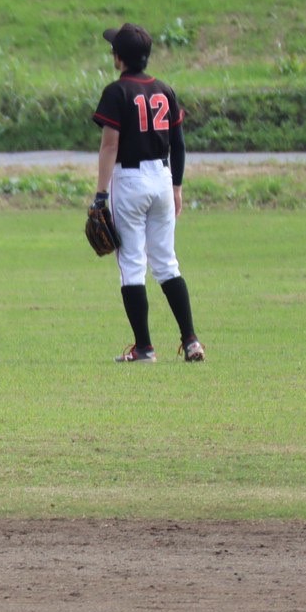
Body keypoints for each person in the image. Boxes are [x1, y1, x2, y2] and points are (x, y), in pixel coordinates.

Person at [91, 23, 204, 363]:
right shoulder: (164, 89)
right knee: (167, 263)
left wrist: (99, 195)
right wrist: (177, 187)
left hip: (130, 180)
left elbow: (110, 144)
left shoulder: (116, 91)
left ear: (118, 57)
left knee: (131, 264)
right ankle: (191, 341)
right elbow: (179, 142)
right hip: (162, 178)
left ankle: (144, 348)